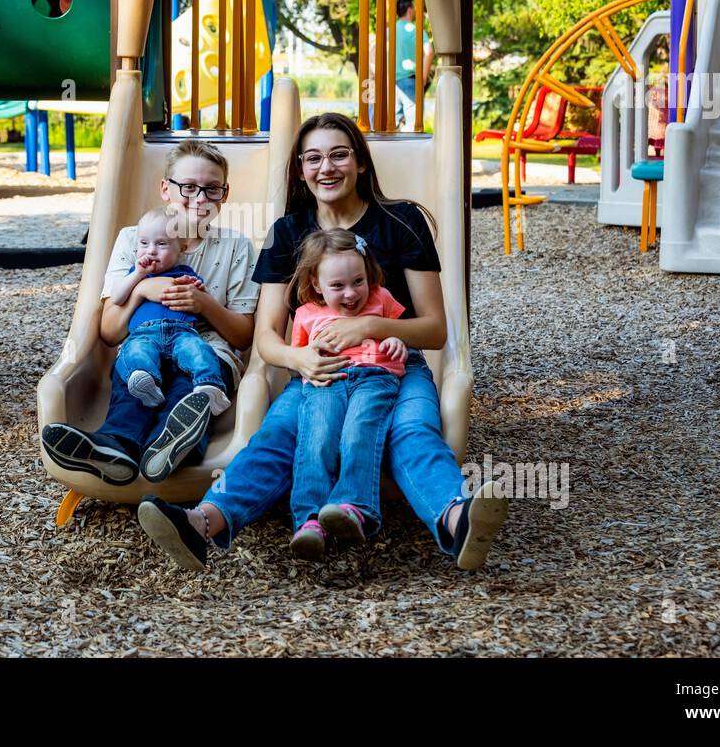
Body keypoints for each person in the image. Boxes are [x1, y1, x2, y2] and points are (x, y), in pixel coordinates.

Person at [137, 113, 509, 571]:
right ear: (299, 169)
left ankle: (457, 520)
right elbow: (267, 336)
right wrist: (299, 358)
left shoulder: (401, 221)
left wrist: (372, 328)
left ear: (361, 164)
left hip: (395, 364)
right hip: (321, 366)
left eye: (339, 155)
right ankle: (203, 523)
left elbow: (435, 328)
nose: (326, 168)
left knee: (411, 429)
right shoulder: (288, 232)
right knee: (276, 435)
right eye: (313, 158)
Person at [42, 140, 259, 486]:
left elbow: (244, 336)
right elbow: (111, 332)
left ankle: (173, 444)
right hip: (144, 343)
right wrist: (141, 288)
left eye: (211, 189)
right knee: (136, 374)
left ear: (225, 193)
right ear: (165, 189)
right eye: (188, 187)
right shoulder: (134, 240)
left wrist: (204, 304)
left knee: (190, 387)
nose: (199, 199)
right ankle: (116, 446)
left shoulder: (236, 247)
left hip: (206, 351)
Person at [284, 229, 408, 561]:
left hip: (374, 377)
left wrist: (397, 342)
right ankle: (310, 521)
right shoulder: (308, 313)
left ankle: (354, 507)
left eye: (358, 281)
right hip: (328, 378)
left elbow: (399, 333)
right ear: (316, 284)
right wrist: (311, 351)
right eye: (338, 286)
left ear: (369, 276)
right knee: (318, 438)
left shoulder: (381, 298)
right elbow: (298, 362)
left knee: (358, 433)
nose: (351, 293)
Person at [107, 205, 231, 419]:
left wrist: (200, 292)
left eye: (162, 244)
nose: (151, 250)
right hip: (143, 332)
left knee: (199, 351)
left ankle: (210, 388)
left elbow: (202, 303)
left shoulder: (187, 275)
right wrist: (138, 277)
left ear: (181, 249)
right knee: (135, 351)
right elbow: (117, 297)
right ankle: (146, 384)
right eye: (144, 243)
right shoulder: (135, 275)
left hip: (182, 332)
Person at [394, 0, 434, 132]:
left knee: (391, 126)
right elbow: (429, 52)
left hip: (390, 84)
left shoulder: (389, 31)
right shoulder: (416, 31)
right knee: (413, 127)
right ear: (410, 10)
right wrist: (423, 78)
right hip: (410, 81)